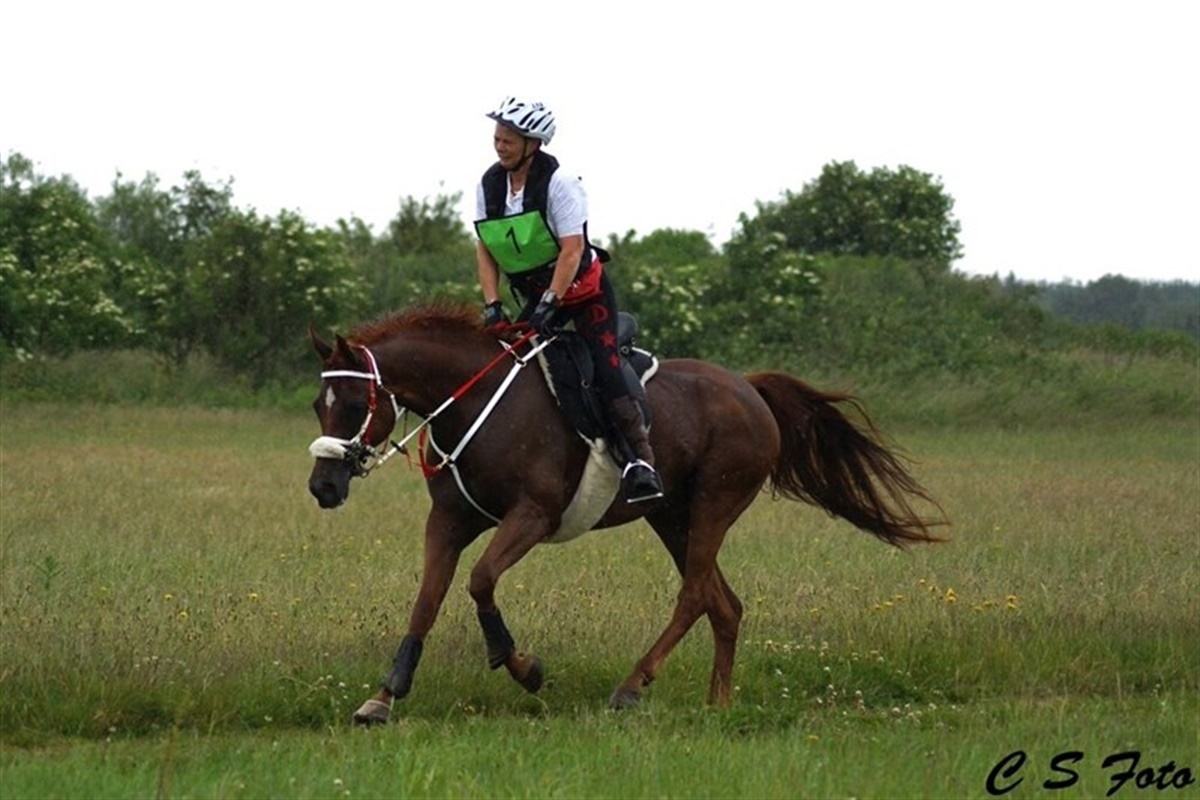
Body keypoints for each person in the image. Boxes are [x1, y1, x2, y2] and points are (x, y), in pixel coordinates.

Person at [474, 96, 663, 503]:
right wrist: (492, 304)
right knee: (510, 360)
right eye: (497, 138)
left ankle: (640, 461)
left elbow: (572, 250)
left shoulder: (560, 184)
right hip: (540, 294)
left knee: (604, 366)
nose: (499, 146)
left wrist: (550, 303)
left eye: (508, 140)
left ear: (533, 144)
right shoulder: (488, 185)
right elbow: (485, 249)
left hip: (582, 291)